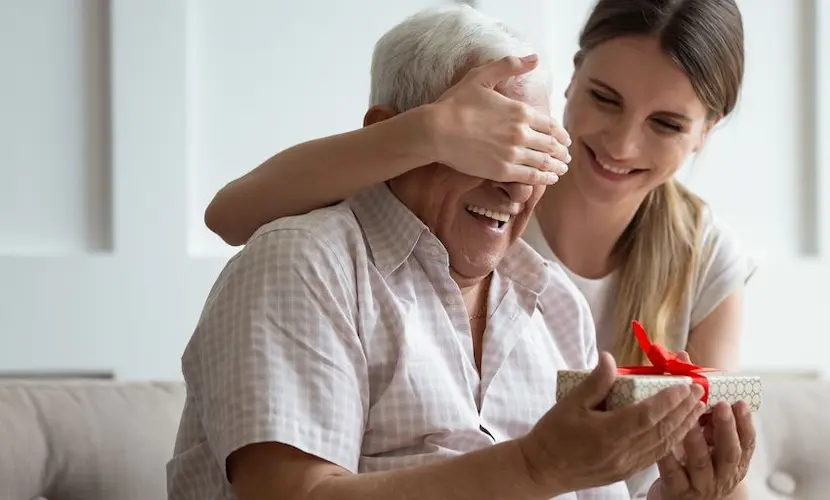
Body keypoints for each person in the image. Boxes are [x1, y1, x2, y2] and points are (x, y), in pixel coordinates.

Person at [203, 0, 757, 498]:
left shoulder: (555, 302)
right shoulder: (313, 261)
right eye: (490, 149)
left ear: (707, 131)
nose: (518, 184)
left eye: (531, 151)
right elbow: (229, 215)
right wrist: (536, 466)